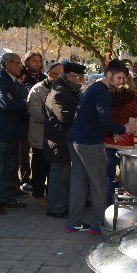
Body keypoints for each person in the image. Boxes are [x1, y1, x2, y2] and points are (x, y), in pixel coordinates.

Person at [65, 59, 136, 235]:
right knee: (99, 183)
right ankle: (97, 225)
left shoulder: (93, 88)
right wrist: (123, 128)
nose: (121, 83)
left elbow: (95, 119)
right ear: (109, 74)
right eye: (119, 78)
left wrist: (113, 133)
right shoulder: (103, 91)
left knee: (79, 182)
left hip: (75, 140)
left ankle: (73, 223)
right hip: (89, 143)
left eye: (123, 80)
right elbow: (104, 119)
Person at [0, 52, 29, 215]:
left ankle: (7, 198)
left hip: (12, 132)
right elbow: (7, 104)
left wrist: (19, 102)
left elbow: (20, 102)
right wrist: (21, 102)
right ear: (7, 64)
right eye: (17, 63)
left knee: (10, 168)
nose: (20, 66)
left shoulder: (14, 82)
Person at [44, 62, 85, 219]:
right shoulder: (59, 93)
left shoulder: (70, 91)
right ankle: (55, 208)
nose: (81, 80)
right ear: (70, 76)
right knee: (59, 176)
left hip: (66, 140)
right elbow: (65, 117)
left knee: (65, 176)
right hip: (58, 141)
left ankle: (63, 206)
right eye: (79, 77)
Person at [26, 62, 63, 205]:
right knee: (39, 166)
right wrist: (58, 117)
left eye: (61, 74)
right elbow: (35, 112)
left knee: (52, 167)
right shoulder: (37, 89)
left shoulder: (62, 89)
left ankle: (52, 194)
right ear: (49, 74)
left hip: (56, 136)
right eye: (56, 74)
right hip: (40, 135)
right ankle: (38, 194)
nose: (59, 77)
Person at [103, 84, 137, 205]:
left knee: (107, 176)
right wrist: (133, 123)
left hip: (108, 141)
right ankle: (122, 204)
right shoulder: (132, 99)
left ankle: (107, 205)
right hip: (127, 143)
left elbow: (102, 118)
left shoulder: (107, 98)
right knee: (125, 177)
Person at [18, 51, 47, 193]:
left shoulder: (44, 78)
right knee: (23, 151)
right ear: (27, 61)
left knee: (38, 153)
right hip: (23, 119)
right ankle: (24, 178)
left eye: (39, 60)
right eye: (34, 60)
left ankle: (38, 181)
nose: (37, 63)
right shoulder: (21, 77)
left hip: (39, 122)